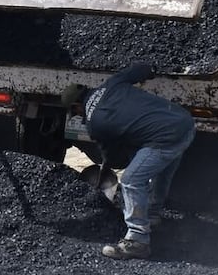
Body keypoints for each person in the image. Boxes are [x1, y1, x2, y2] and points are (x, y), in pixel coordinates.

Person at [61, 63, 195, 260]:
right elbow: (141, 69)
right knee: (160, 169)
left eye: (76, 113)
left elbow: (115, 159)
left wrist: (107, 163)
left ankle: (137, 240)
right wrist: (151, 69)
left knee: (131, 180)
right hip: (184, 123)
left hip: (165, 138)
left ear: (76, 106)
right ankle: (151, 214)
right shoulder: (110, 84)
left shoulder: (94, 124)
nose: (79, 115)